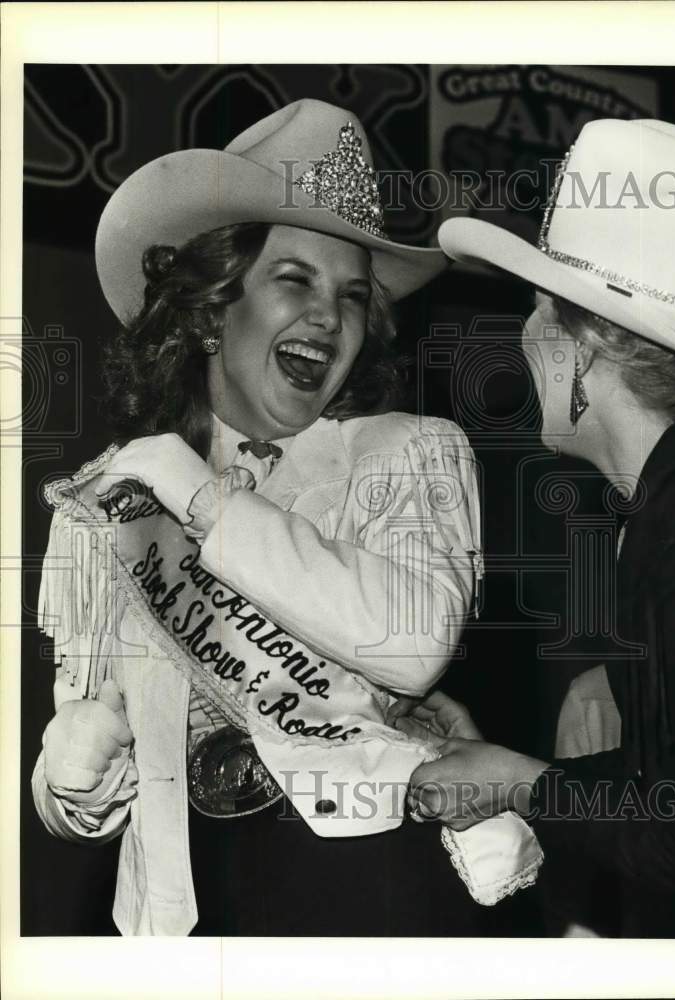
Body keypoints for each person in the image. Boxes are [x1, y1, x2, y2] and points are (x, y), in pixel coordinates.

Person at [32, 99, 540, 936]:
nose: (328, 319)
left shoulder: (407, 453)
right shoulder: (109, 500)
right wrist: (70, 783)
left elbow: (410, 647)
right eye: (294, 279)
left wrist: (202, 499)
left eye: (351, 296)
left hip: (362, 882)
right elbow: (84, 759)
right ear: (208, 310)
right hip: (181, 914)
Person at [400, 118, 675, 938]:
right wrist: (517, 770)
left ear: (587, 350)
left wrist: (522, 783)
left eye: (537, 313)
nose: (521, 340)